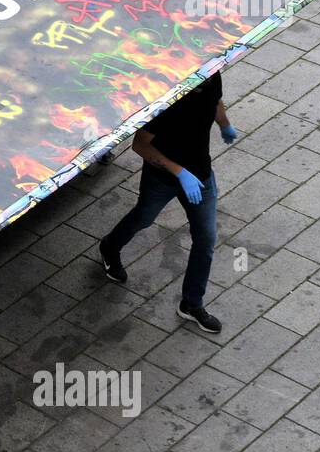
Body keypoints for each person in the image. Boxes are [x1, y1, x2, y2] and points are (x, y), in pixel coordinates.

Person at [98, 72, 236, 335]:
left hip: (202, 176)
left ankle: (192, 304)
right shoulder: (168, 100)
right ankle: (110, 246)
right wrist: (179, 172)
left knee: (206, 239)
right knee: (144, 217)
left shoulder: (212, 75)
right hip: (162, 178)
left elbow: (216, 101)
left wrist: (224, 125)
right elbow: (140, 145)